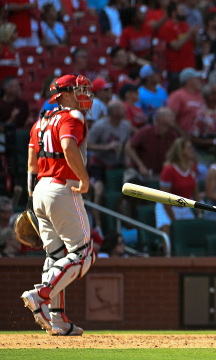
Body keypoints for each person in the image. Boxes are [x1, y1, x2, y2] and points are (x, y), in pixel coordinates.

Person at [22, 74, 96, 336]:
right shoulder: (71, 117)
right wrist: (84, 179)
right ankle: (40, 294)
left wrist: (32, 199)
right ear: (63, 94)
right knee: (84, 253)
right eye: (79, 90)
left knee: (55, 256)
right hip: (63, 187)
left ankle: (58, 320)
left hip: (41, 188)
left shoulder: (40, 122)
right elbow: (68, 146)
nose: (85, 94)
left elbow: (31, 162)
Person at [86, 100, 131, 231]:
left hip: (117, 164)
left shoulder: (126, 126)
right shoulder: (100, 126)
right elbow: (87, 144)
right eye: (122, 108)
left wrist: (127, 160)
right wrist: (106, 147)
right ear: (114, 112)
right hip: (99, 164)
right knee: (98, 191)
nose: (125, 110)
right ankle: (98, 224)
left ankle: (126, 224)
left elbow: (127, 145)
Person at [156, 137, 199, 240]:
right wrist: (174, 219)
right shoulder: (169, 169)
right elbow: (164, 198)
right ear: (181, 151)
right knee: (168, 236)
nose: (191, 150)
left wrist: (199, 212)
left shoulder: (192, 167)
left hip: (185, 206)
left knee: (193, 235)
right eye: (189, 148)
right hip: (167, 207)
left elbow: (195, 191)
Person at [125, 107, 179, 178]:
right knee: (131, 180)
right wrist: (141, 165)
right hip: (139, 171)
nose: (173, 119)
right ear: (161, 119)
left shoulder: (172, 135)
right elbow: (128, 146)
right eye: (170, 116)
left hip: (159, 173)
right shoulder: (146, 131)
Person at [157, 2, 199, 92]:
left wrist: (194, 35)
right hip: (176, 69)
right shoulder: (168, 27)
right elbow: (175, 46)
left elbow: (194, 45)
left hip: (189, 66)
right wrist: (189, 33)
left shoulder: (185, 25)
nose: (184, 13)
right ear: (173, 13)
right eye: (181, 11)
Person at [167, 68, 205, 136]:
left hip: (200, 137)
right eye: (196, 78)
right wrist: (183, 134)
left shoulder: (200, 95)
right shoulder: (177, 95)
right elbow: (171, 118)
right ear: (189, 80)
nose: (200, 81)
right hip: (183, 139)